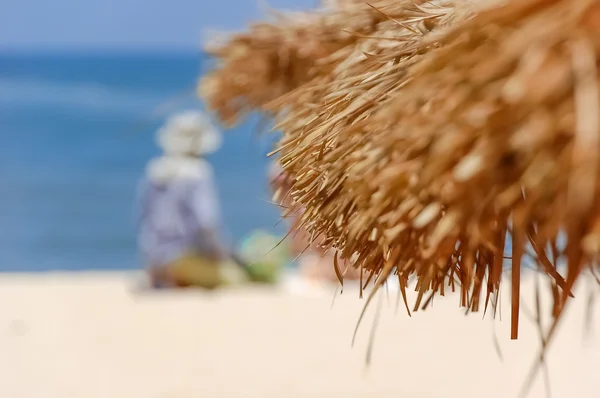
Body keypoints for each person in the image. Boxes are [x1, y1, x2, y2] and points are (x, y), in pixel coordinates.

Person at [136, 110, 245, 289]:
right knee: (234, 278)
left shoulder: (155, 170)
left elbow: (142, 216)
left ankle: (161, 274)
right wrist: (220, 252)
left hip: (154, 257)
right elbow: (206, 221)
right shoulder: (198, 172)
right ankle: (179, 277)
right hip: (185, 256)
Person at [268, 161, 361, 283]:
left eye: (287, 186)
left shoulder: (311, 216)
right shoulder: (297, 218)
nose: (281, 194)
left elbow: (345, 261)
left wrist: (317, 267)